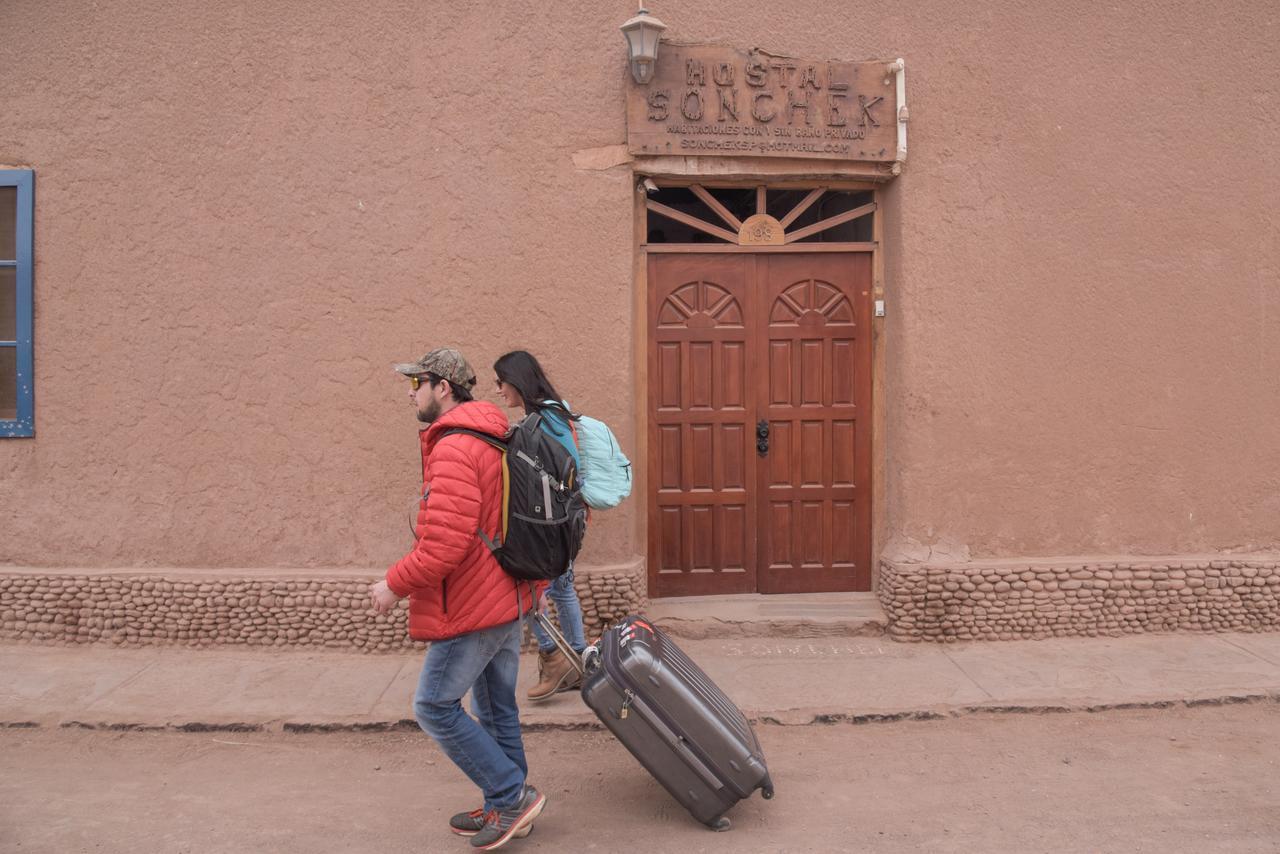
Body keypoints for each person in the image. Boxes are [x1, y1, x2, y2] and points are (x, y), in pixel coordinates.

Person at [369, 347, 545, 851]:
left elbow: (445, 545)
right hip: (507, 592)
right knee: (495, 707)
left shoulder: (454, 447)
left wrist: (393, 584)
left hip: (472, 602)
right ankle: (508, 805)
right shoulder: (493, 435)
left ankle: (511, 796)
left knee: (434, 706)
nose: (410, 394)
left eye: (416, 384)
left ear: (442, 387)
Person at [493, 350, 588, 701]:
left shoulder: (543, 420)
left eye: (501, 382)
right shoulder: (555, 411)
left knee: (528, 587)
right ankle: (577, 660)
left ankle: (553, 657)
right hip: (565, 520)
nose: (499, 390)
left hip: (551, 525)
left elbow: (564, 467)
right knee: (560, 588)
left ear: (517, 381)